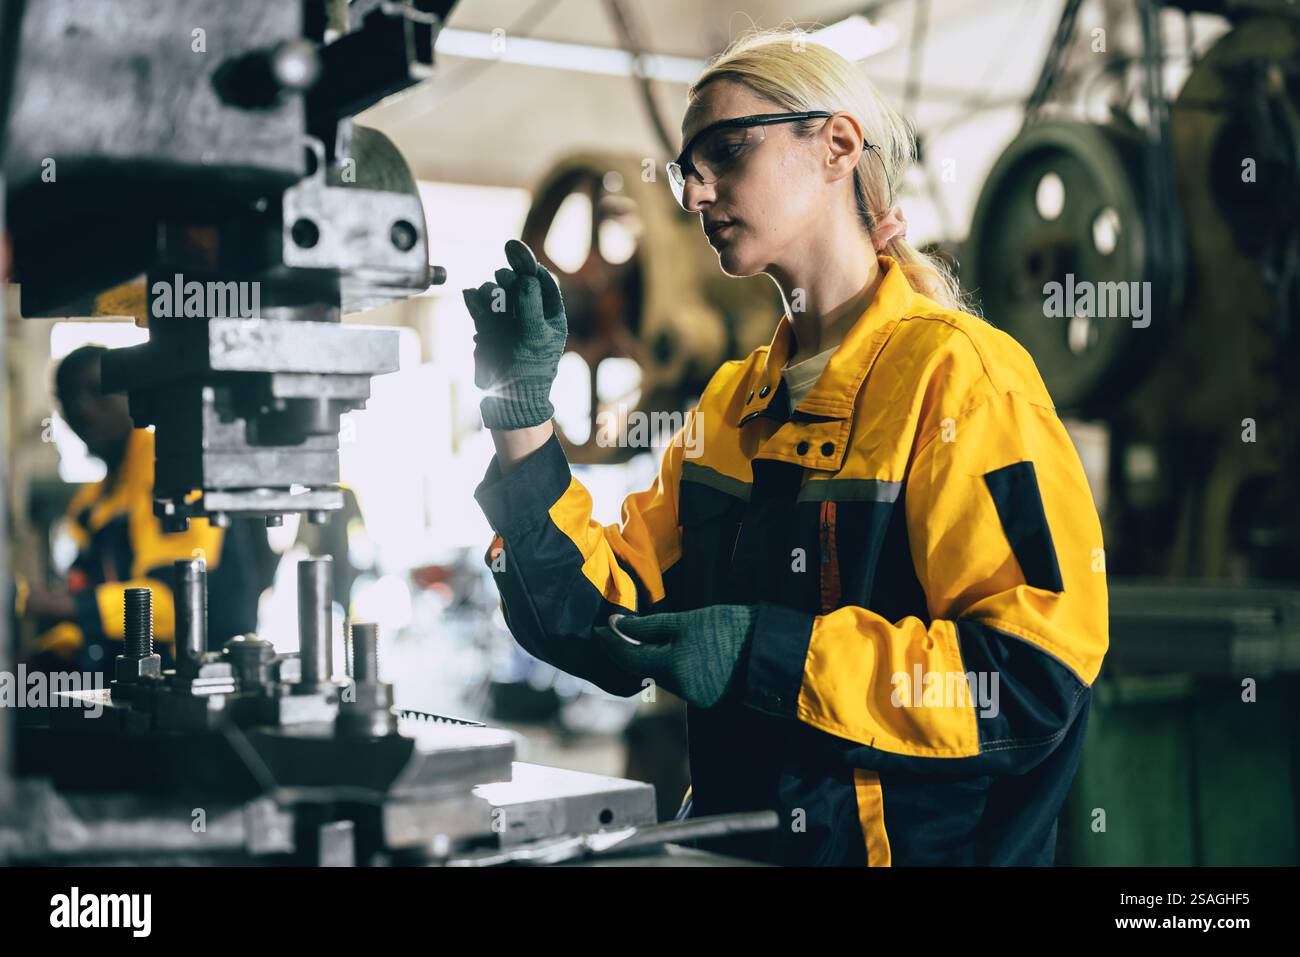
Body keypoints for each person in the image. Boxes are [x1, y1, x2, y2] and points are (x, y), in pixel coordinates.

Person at [464, 30, 1108, 866]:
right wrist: (520, 416)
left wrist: (764, 656)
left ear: (837, 144)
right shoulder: (734, 405)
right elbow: (605, 618)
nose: (695, 192)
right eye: (685, 169)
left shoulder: (958, 377)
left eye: (724, 152)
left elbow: (1028, 677)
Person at [16, 345, 275, 675]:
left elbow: (173, 604)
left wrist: (56, 605)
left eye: (97, 393)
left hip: (201, 677)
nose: (84, 411)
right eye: (69, 400)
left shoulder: (173, 473)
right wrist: (47, 655)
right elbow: (88, 593)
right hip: (125, 677)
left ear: (133, 396)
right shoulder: (90, 503)